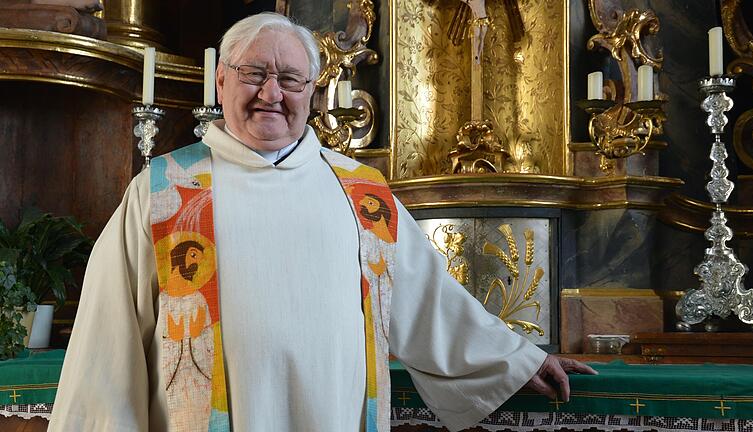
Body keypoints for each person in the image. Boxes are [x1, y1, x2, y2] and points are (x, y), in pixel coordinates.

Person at [49, 12, 595, 432]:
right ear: (221, 82)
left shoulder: (360, 191)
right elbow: (110, 328)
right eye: (254, 74)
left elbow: (427, 297)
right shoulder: (166, 189)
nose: (271, 93)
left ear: (312, 93)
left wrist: (517, 359)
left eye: (290, 78)